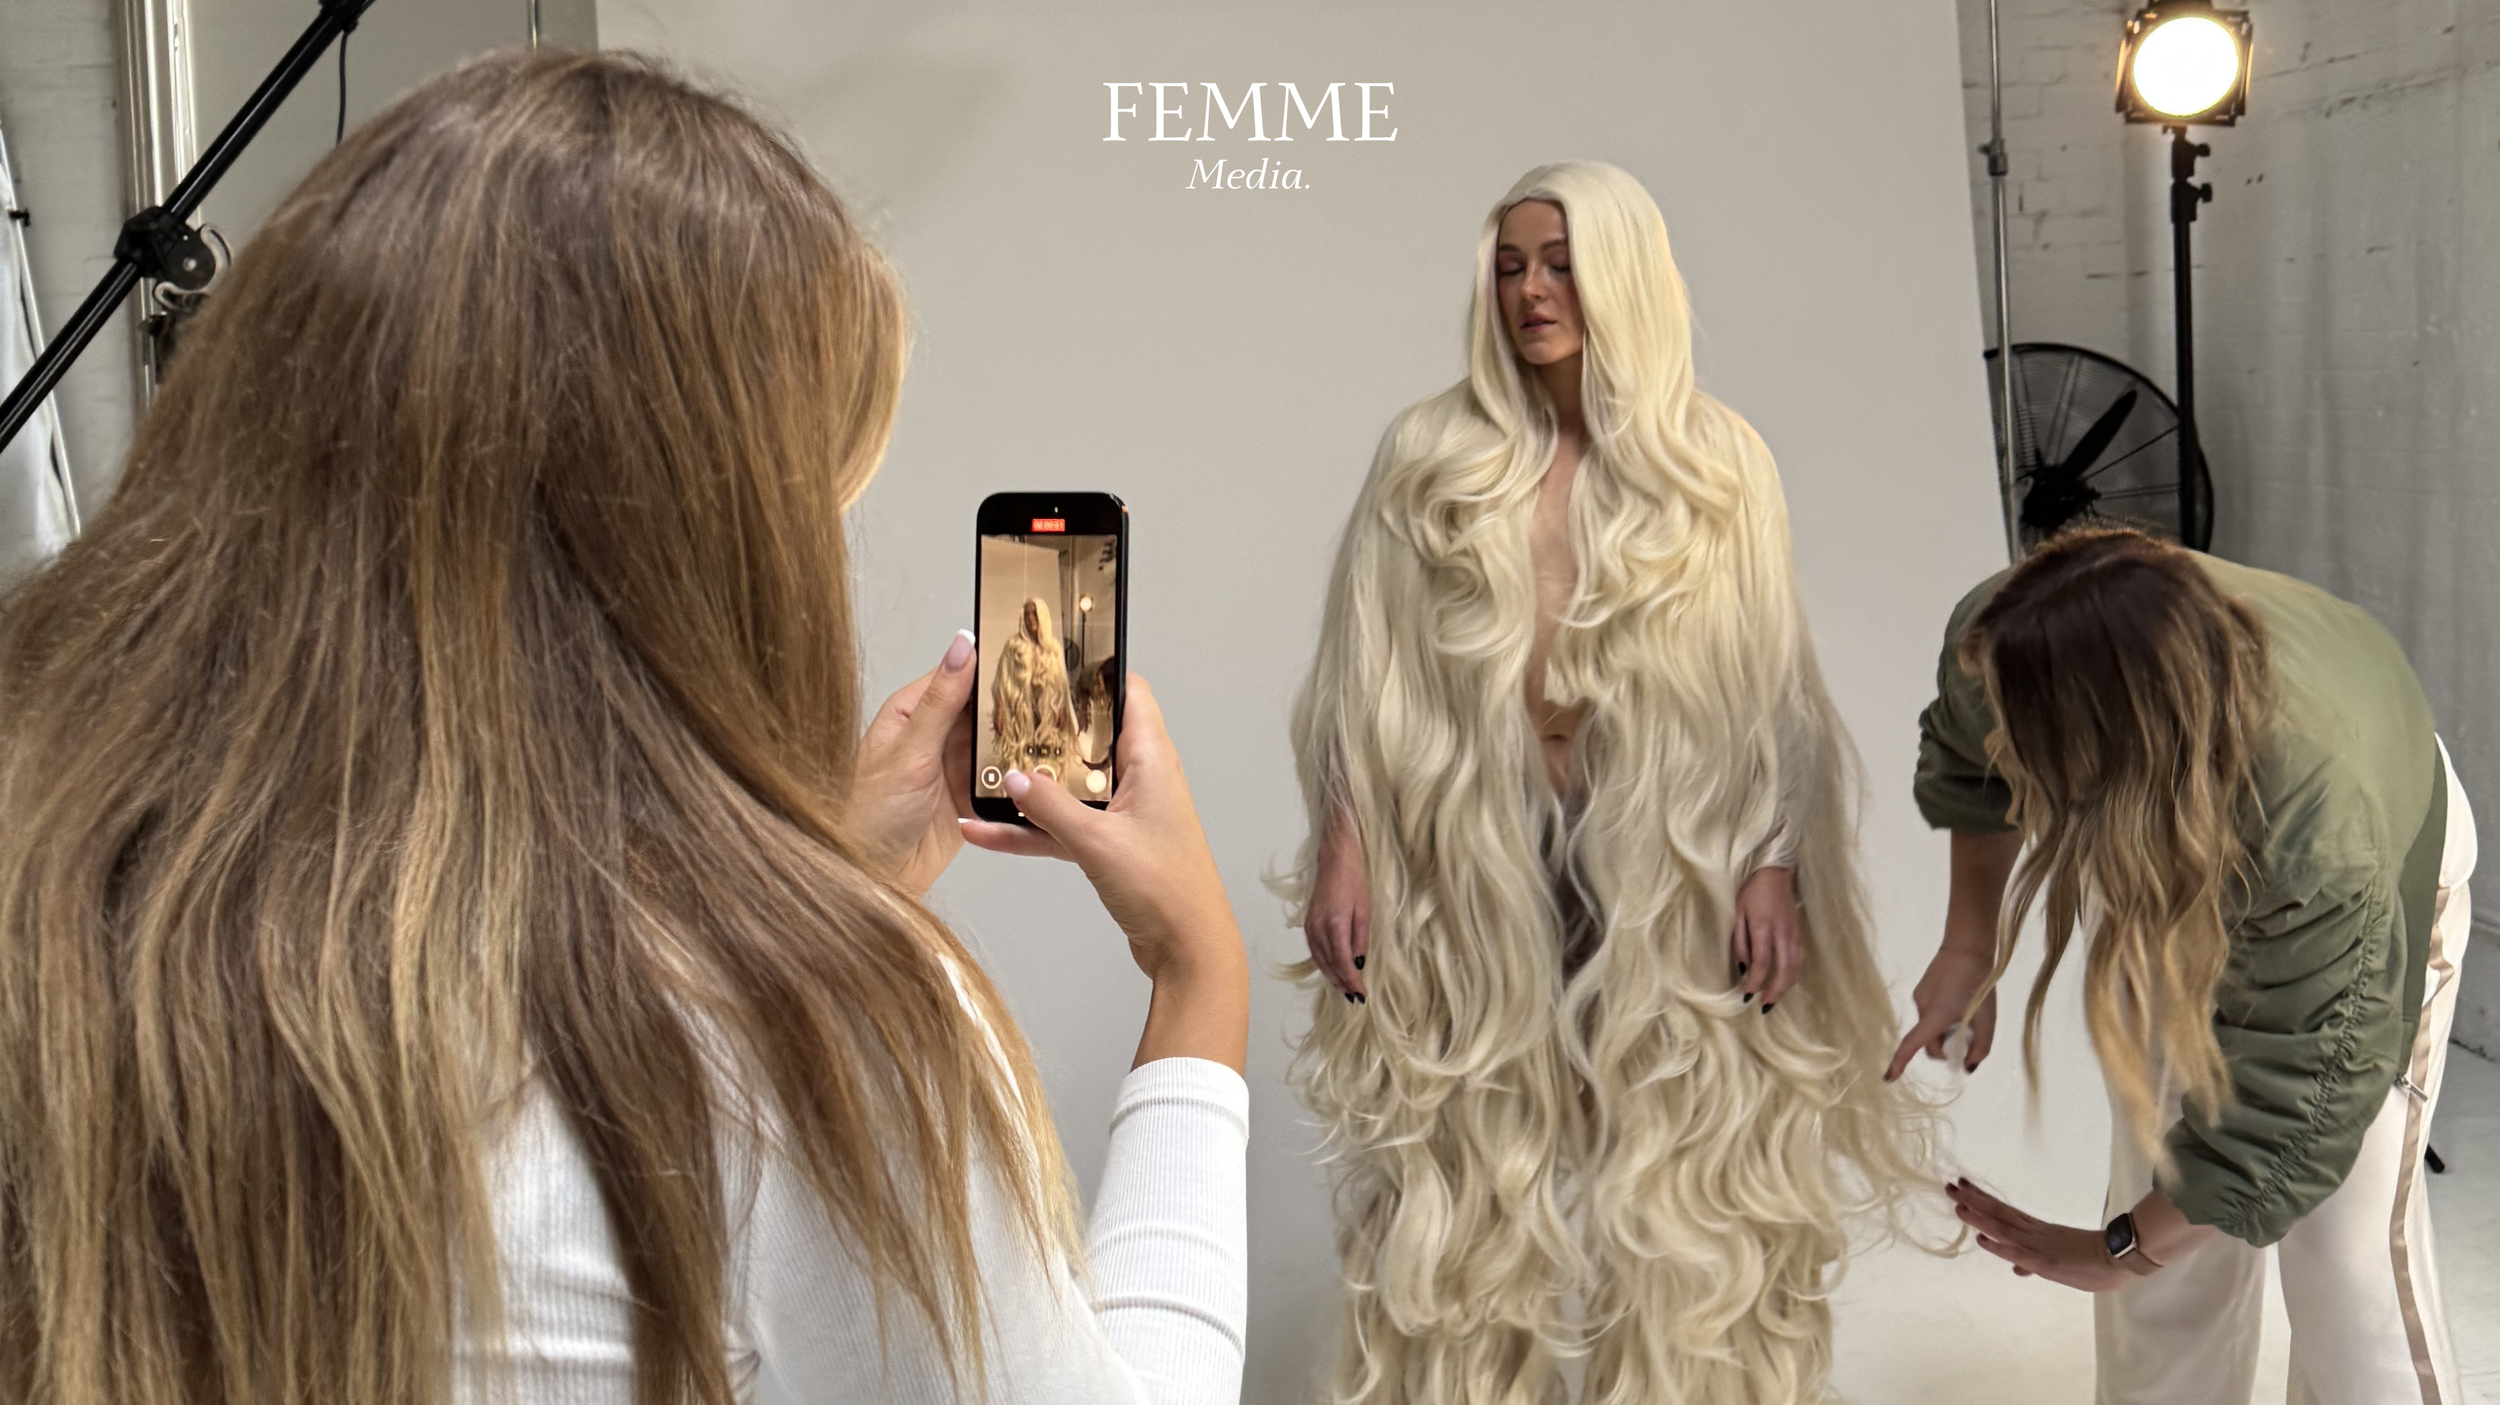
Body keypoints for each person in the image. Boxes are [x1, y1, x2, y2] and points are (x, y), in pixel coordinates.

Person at [0, 50, 1250, 1405]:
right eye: (805, 510)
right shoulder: (800, 1036)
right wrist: (1197, 971)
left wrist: (812, 882)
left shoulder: (54, 903)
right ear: (703, 555)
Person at [1284, 161, 1932, 1405]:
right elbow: (1363, 674)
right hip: (1471, 855)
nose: (1531, 290)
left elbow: (1769, 684)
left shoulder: (1718, 463)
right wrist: (1344, 848)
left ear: (1623, 275)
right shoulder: (1430, 454)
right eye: (1511, 266)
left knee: (1694, 1167)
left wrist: (1771, 863)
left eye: (1561, 263)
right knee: (1460, 1166)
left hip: (1664, 852)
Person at [1891, 526, 2476, 1405]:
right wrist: (1969, 948)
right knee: (2166, 1192)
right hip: (2169, 833)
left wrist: (2113, 1252)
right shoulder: (2006, 641)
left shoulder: (2321, 835)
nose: (2003, 750)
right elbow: (1975, 759)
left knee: (2345, 1254)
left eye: (2028, 747)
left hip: (2358, 872)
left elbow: (2302, 1108)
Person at [993, 595, 1085, 790]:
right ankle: (1020, 793)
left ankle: (1048, 794)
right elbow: (1002, 680)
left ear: (1042, 616)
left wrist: (1062, 709)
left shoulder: (1053, 649)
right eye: (1026, 614)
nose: (1030, 618)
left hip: (1047, 712)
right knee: (1020, 756)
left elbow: (1061, 683)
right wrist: (1000, 710)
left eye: (1034, 614)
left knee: (1048, 757)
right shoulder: (1013, 647)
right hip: (1020, 712)